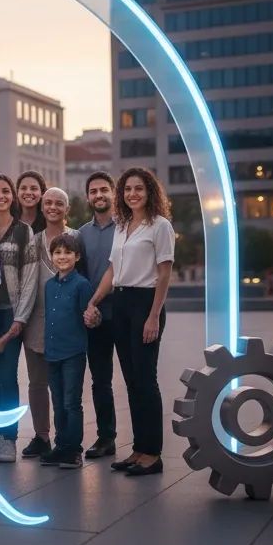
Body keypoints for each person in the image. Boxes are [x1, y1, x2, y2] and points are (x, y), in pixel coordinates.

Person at [85, 167, 175, 477]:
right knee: (132, 381)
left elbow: (164, 273)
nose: (133, 194)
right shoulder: (122, 226)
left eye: (139, 188)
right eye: (128, 189)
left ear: (150, 192)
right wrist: (95, 299)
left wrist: (153, 316)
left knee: (146, 381)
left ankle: (153, 454)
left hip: (144, 303)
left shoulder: (160, 226)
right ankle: (138, 449)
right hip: (121, 303)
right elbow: (112, 270)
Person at [0, 174, 38, 463]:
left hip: (10, 314)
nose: (0, 196)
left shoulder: (23, 231)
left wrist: (20, 319)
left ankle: (10, 439)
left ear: (12, 196)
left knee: (6, 376)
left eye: (5, 191)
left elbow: (29, 279)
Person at [20, 187, 83, 459]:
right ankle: (42, 436)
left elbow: (85, 279)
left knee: (66, 390)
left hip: (67, 324)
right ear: (42, 207)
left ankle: (68, 443)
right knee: (37, 382)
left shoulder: (77, 238)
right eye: (48, 203)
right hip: (36, 319)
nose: (53, 207)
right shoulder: (33, 240)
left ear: (66, 209)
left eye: (59, 203)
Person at [41, 233, 94, 470]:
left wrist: (95, 318)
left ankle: (74, 451)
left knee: (72, 402)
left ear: (77, 256)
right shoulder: (49, 286)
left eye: (67, 252)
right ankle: (61, 446)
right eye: (57, 252)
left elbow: (90, 317)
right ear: (51, 256)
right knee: (58, 401)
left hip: (73, 352)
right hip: (52, 352)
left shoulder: (82, 285)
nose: (62, 257)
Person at [76, 170, 118, 460]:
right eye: (94, 191)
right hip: (95, 317)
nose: (99, 195)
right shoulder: (81, 234)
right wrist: (87, 310)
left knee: (136, 379)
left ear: (113, 193)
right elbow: (79, 276)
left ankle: (144, 443)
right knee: (100, 380)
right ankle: (107, 438)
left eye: (104, 189)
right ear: (89, 197)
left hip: (126, 312)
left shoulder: (128, 227)